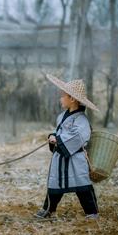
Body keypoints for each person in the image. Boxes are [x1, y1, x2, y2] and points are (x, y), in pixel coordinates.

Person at [35, 74, 100, 220]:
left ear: (72, 99)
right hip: (60, 158)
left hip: (76, 159)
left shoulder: (81, 120)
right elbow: (60, 132)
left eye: (63, 95)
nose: (60, 98)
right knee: (54, 183)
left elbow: (77, 137)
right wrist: (53, 136)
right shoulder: (62, 116)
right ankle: (48, 209)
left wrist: (57, 139)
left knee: (82, 185)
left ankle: (92, 212)